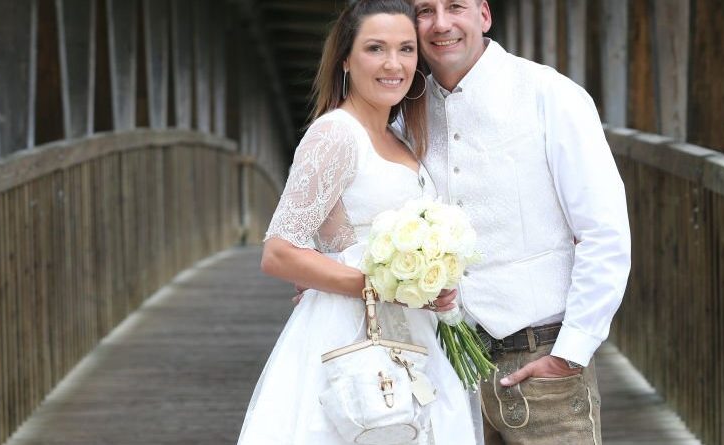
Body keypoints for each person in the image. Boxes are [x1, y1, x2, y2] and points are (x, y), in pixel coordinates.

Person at [237, 1, 477, 443]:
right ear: (346, 59)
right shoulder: (335, 135)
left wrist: (435, 283)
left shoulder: (401, 138)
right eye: (375, 48)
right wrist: (382, 285)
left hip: (416, 336)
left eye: (406, 49)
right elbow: (279, 252)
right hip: (351, 335)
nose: (394, 64)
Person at [410, 0, 632, 443]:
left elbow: (603, 232)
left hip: (542, 365)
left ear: (484, 15)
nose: (441, 23)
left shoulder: (550, 94)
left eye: (455, 6)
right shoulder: (405, 113)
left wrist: (570, 354)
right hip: (446, 375)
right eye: (424, 10)